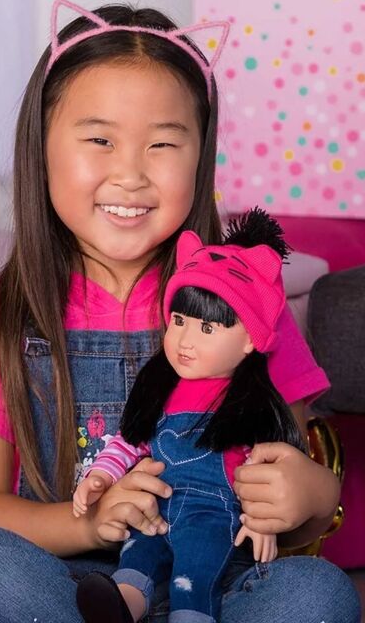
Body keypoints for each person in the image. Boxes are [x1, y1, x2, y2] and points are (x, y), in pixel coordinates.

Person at [0, 0, 360, 623]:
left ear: (201, 155)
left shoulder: (247, 303)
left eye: (163, 143)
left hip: (217, 588)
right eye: (100, 139)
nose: (129, 173)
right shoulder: (4, 314)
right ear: (41, 147)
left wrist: (311, 494)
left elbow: (294, 501)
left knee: (318, 593)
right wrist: (90, 523)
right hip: (73, 592)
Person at [73, 211, 306, 623]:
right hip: (155, 506)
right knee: (136, 558)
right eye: (179, 321)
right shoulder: (160, 390)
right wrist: (101, 477)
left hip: (211, 516)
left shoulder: (247, 406)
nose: (184, 339)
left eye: (208, 329)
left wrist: (262, 521)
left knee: (194, 578)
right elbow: (130, 442)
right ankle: (123, 605)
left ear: (250, 339)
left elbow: (263, 473)